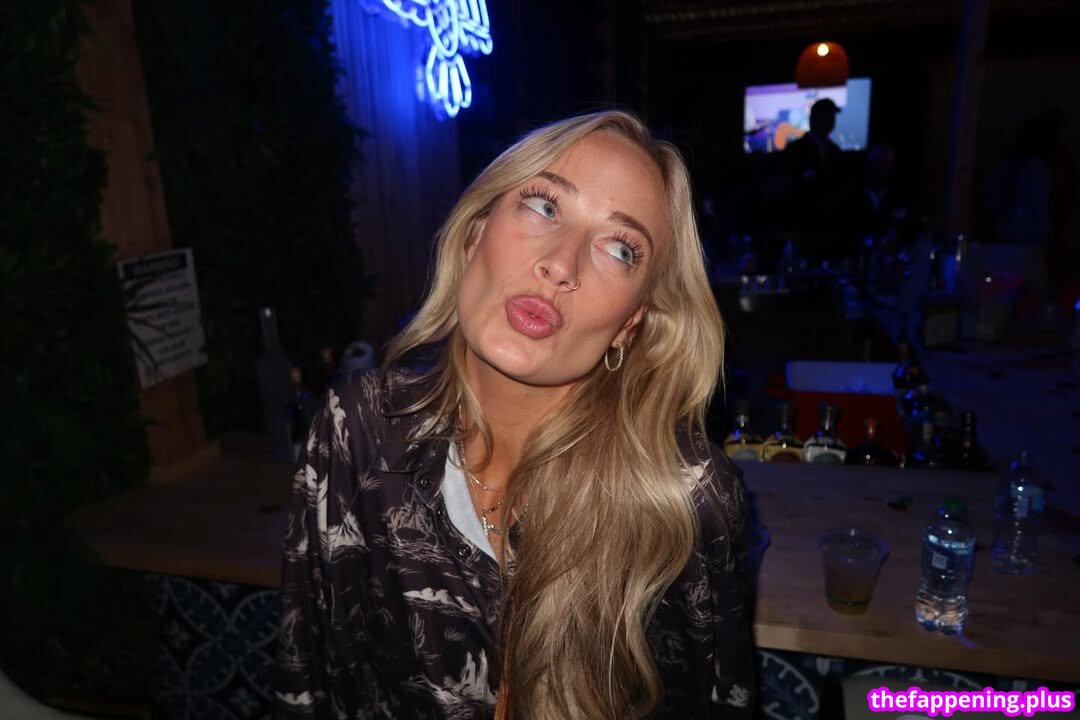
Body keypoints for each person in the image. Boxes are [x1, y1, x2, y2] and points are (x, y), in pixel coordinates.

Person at [272, 111, 754, 719]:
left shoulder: (685, 499)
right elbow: (308, 679)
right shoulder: (359, 429)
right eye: (545, 206)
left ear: (631, 323)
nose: (562, 264)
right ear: (475, 233)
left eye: (619, 248)